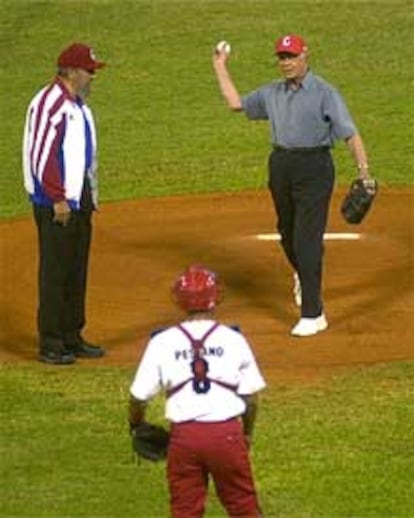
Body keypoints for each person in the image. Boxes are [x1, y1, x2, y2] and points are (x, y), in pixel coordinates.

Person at [213, 34, 372, 337]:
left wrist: (364, 172)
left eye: (291, 56)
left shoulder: (325, 92)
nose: (286, 63)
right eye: (282, 57)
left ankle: (313, 313)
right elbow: (236, 104)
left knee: (306, 239)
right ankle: (304, 274)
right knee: (287, 234)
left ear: (304, 56)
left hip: (315, 168)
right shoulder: (271, 93)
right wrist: (220, 66)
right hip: (281, 166)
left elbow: (350, 134)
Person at [128, 264, 266, 517]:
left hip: (184, 439)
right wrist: (246, 434)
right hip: (227, 436)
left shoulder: (162, 341)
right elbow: (251, 398)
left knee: (184, 510)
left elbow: (138, 398)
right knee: (243, 506)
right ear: (215, 299)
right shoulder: (232, 339)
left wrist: (136, 426)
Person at [22, 43, 106, 364]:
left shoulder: (78, 105)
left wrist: (88, 197)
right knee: (56, 271)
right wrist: (57, 197)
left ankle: (72, 334)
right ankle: (52, 342)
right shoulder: (49, 103)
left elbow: (83, 157)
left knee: (76, 268)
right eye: (89, 70)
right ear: (71, 71)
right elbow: (41, 154)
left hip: (78, 196)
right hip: (55, 200)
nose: (92, 76)